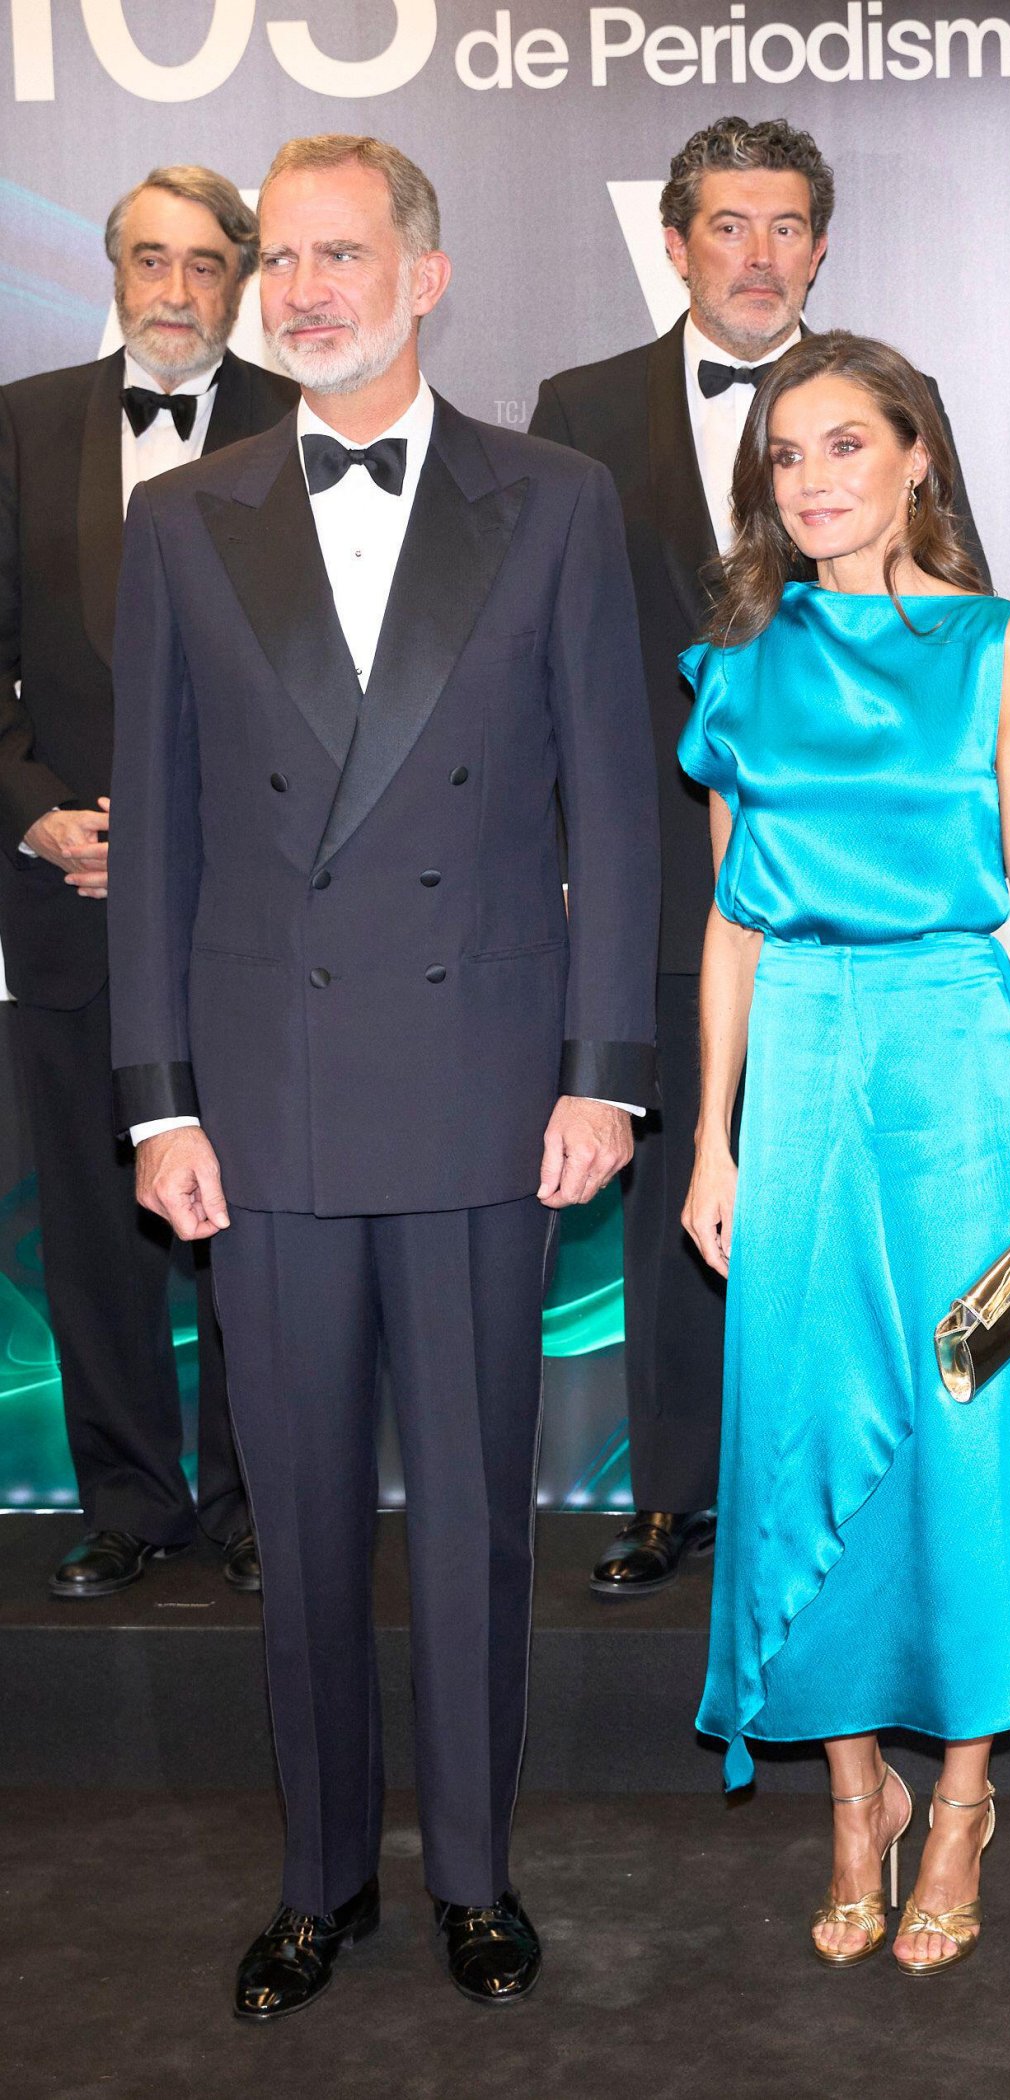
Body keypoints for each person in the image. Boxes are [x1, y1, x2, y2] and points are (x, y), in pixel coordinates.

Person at [107, 133, 659, 2014]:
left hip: (490, 1091)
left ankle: (477, 1878)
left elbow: (619, 802)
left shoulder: (561, 499)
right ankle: (320, 1877)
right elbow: (160, 837)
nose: (302, 286)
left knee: (483, 1514)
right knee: (308, 1519)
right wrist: (157, 1097)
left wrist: (605, 1071)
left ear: (428, 275)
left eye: (344, 253)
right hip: (261, 1109)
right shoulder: (187, 518)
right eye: (283, 257)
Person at [679, 331, 1010, 1975]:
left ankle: (958, 1801)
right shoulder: (738, 663)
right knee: (797, 1424)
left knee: (959, 1419)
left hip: (958, 1062)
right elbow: (728, 926)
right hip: (797, 1060)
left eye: (846, 445)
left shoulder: (1003, 648)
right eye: (785, 456)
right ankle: (849, 1794)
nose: (813, 482)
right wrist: (712, 1141)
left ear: (917, 455)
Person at [531, 116, 989, 1599]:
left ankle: (865, 1507)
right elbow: (549, 656)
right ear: (675, 243)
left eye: (786, 225)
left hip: (866, 890)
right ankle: (676, 1494)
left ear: (820, 245)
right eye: (728, 225)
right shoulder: (580, 408)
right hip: (664, 875)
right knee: (691, 1177)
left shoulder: (875, 407)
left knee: (857, 1208)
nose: (757, 253)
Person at [0, 166, 297, 1599]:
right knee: (92, 1219)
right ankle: (128, 1497)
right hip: (67, 910)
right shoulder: (22, 423)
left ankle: (254, 1497)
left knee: (249, 1214)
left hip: (242, 915)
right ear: (109, 271)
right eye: (148, 261)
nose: (173, 291)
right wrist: (39, 814)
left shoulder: (305, 429)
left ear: (240, 280)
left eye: (202, 265)